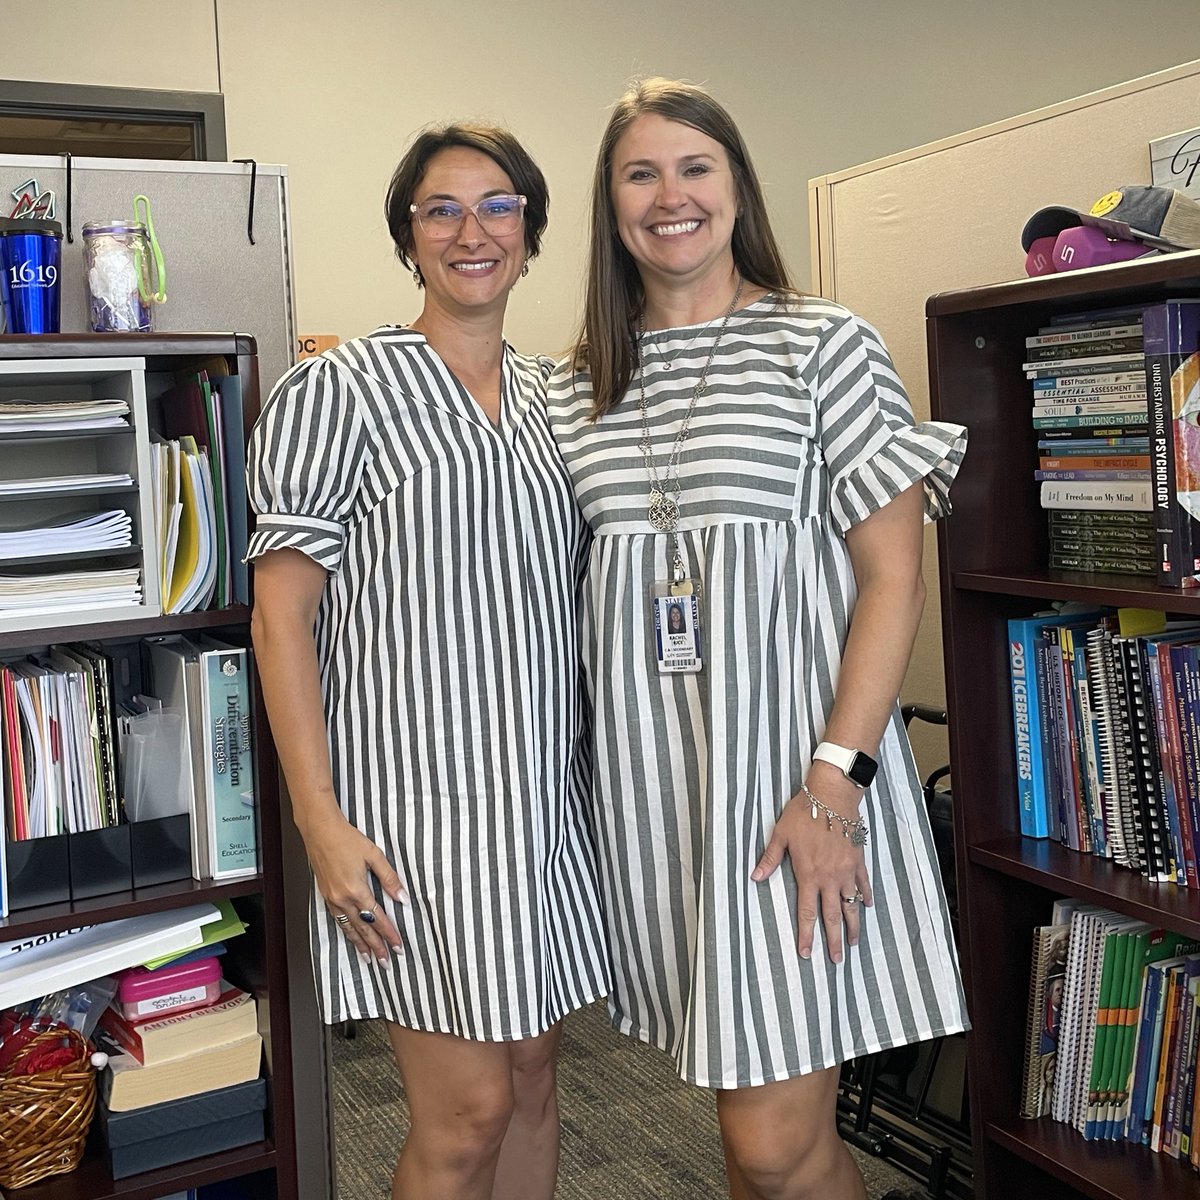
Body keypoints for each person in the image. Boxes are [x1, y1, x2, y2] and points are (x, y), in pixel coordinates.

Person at [549, 78, 969, 1200]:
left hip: (794, 791)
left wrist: (836, 783)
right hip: (658, 801)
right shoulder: (580, 383)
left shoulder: (821, 344)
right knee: (748, 1134)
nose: (670, 195)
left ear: (736, 189)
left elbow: (891, 578)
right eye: (641, 172)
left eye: (696, 167)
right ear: (611, 202)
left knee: (778, 1142)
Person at [246, 124, 609, 1200]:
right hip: (414, 817)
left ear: (532, 233)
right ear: (408, 235)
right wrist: (319, 820)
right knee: (466, 1117)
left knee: (537, 1082)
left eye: (498, 205)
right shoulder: (340, 391)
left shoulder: (565, 401)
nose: (471, 231)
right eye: (440, 209)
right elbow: (281, 623)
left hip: (544, 804)